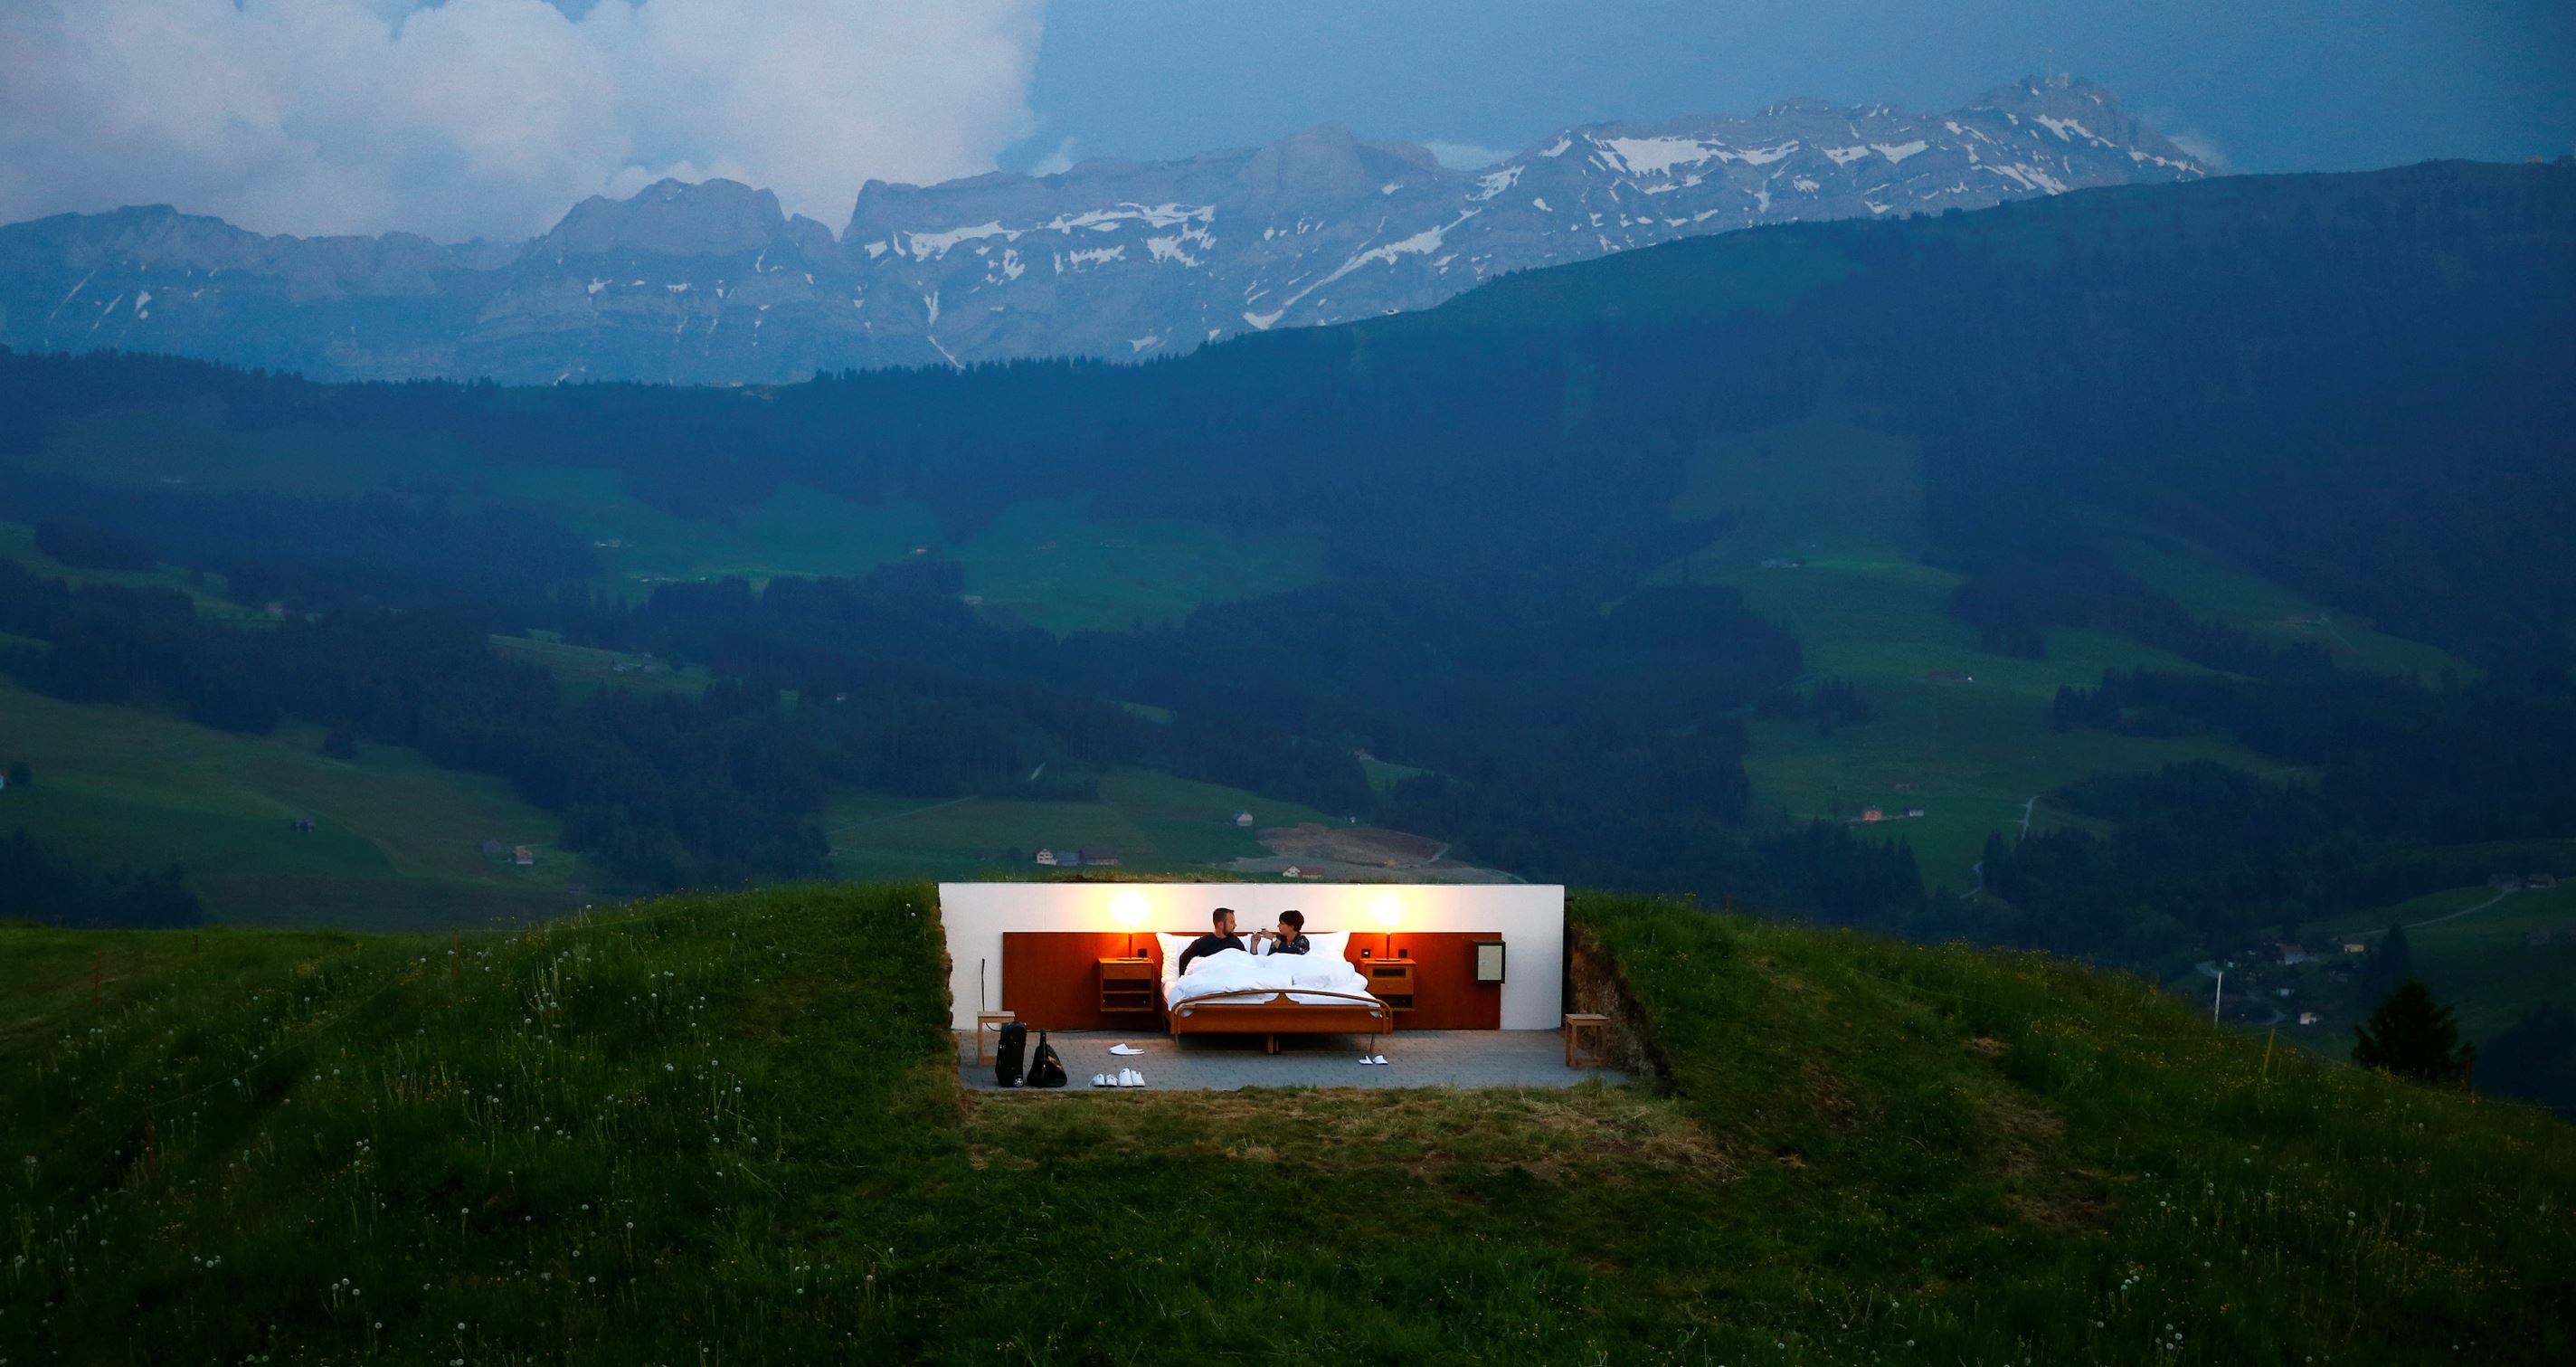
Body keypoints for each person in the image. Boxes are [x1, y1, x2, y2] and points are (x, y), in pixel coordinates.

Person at [1175, 907, 1245, 976]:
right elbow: (1184, 958)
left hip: (1233, 978)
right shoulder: (1203, 942)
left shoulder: (1235, 941)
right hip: (1211, 980)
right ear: (1220, 925)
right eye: (1232, 922)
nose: (1235, 925)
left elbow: (1248, 961)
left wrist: (1254, 946)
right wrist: (1183, 978)